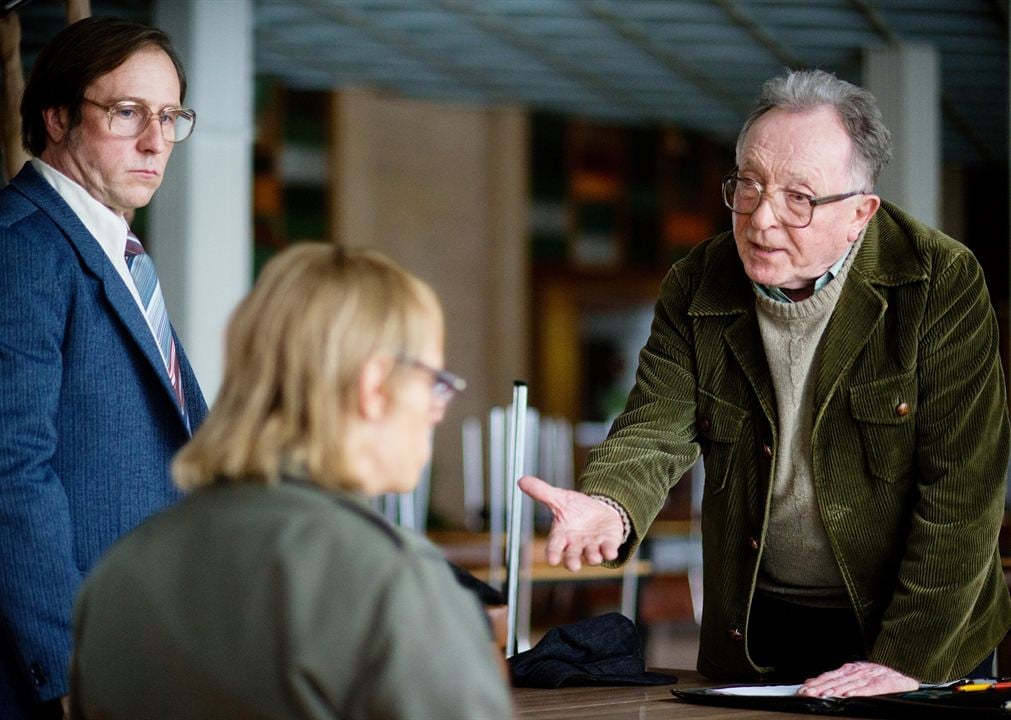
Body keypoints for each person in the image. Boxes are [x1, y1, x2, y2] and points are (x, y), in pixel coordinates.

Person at [521, 68, 1011, 697]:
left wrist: (907, 661)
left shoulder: (939, 280)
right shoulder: (699, 281)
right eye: (748, 185)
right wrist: (613, 505)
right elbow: (655, 425)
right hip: (761, 631)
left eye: (799, 197)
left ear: (860, 213)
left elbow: (962, 492)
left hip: (919, 629)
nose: (761, 219)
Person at [69, 245, 513, 719]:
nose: (438, 409)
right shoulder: (392, 581)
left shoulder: (118, 573)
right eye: (435, 382)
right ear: (375, 385)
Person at [0, 17, 207, 719]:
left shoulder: (117, 254)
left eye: (170, 116)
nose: (155, 141)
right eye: (126, 113)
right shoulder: (22, 250)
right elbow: (10, 472)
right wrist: (68, 665)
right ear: (57, 117)